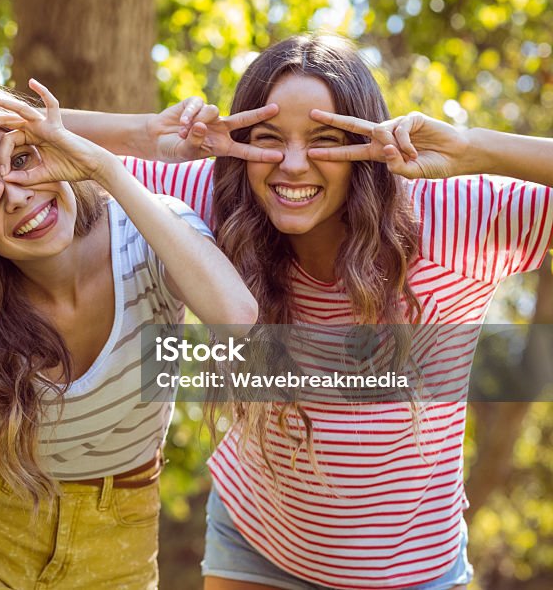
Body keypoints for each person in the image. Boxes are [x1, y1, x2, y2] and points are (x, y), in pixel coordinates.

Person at [95, 34, 553, 589]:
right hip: (253, 547)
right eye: (268, 139)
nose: (292, 165)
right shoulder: (217, 197)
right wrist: (143, 134)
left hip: (414, 570)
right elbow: (16, 134)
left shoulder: (452, 214)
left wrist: (473, 148)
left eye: (324, 140)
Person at [0, 80, 258, 588]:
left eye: (21, 160)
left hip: (118, 537)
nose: (17, 198)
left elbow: (237, 318)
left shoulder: (145, 234)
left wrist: (105, 165)